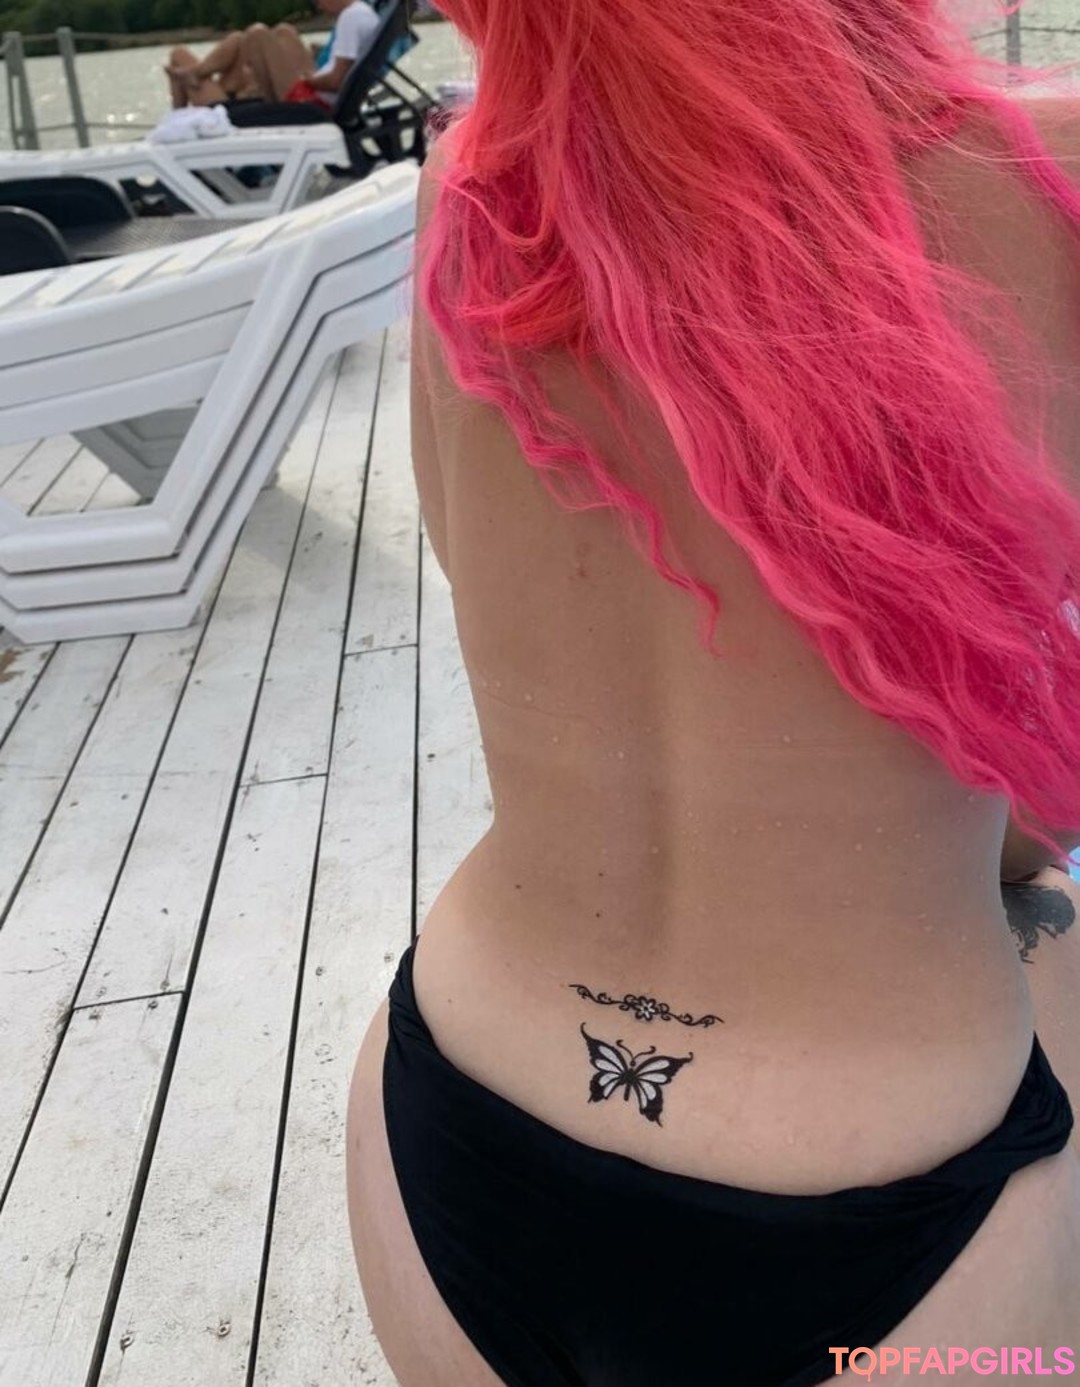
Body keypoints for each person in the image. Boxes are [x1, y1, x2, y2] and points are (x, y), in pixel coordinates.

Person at [347, 0, 1080, 1382]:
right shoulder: (1045, 172)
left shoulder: (472, 182)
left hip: (449, 1129)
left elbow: (464, 556)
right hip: (917, 1221)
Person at [165, 0, 378, 110]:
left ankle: (177, 123)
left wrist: (308, 80)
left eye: (316, 1)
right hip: (316, 97)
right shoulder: (363, 13)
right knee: (281, 31)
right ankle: (198, 76)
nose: (319, 7)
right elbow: (342, 72)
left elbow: (335, 82)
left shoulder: (350, 18)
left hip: (307, 103)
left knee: (256, 34)